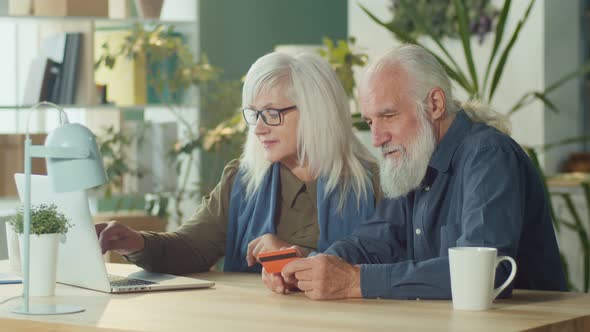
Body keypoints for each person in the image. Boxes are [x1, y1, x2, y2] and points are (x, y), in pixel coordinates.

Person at [264, 44, 566, 300]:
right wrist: (312, 268)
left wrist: (355, 281)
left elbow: (482, 275)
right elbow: (371, 244)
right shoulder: (415, 159)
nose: (378, 138)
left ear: (434, 104)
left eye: (388, 116)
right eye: (370, 122)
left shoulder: (488, 154)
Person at [95, 52, 381, 275]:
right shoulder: (241, 181)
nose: (258, 128)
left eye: (271, 113)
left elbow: (384, 264)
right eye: (254, 114)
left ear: (316, 113)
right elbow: (191, 247)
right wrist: (135, 242)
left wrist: (294, 258)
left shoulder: (374, 186)